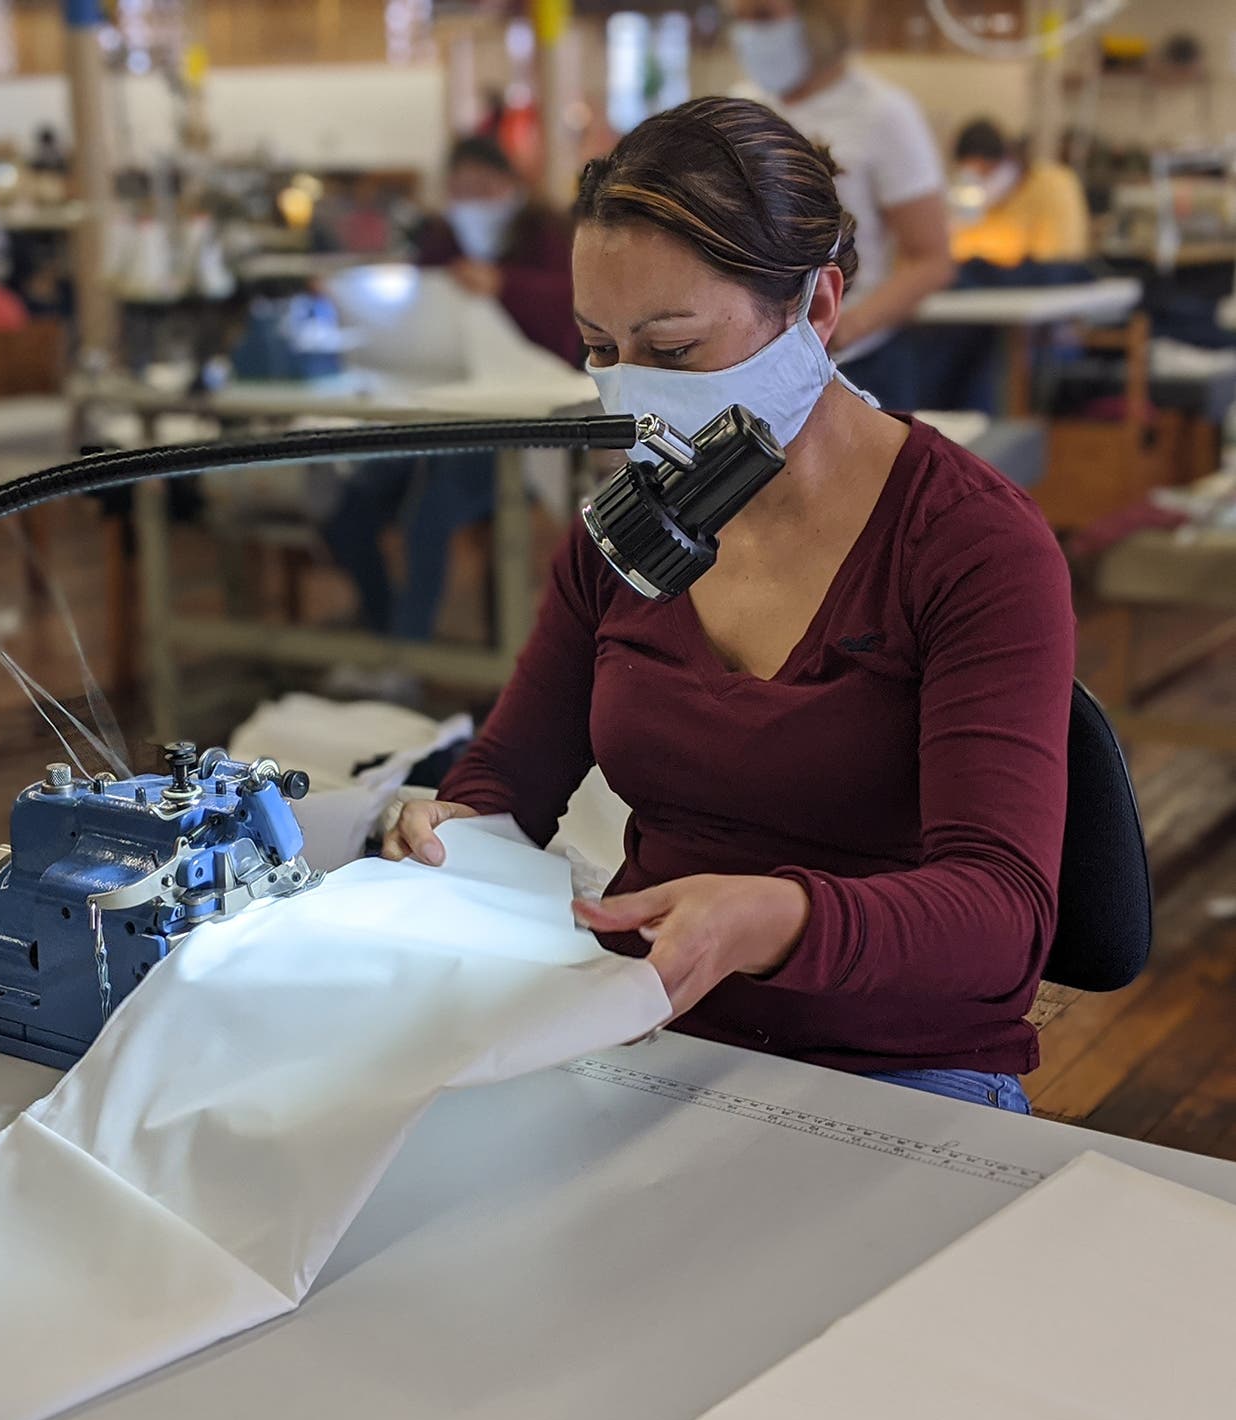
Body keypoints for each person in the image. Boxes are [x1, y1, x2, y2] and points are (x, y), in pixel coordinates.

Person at [384, 97, 1074, 1113]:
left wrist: (777, 919)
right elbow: (507, 783)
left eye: (672, 351)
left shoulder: (971, 547)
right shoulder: (626, 535)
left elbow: (1002, 913)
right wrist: (444, 826)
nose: (631, 396)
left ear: (818, 308)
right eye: (599, 349)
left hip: (898, 1073)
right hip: (646, 1035)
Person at [322, 137, 577, 643]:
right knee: (350, 508)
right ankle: (387, 630)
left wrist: (505, 285)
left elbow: (574, 317)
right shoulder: (441, 244)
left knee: (428, 516)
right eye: (461, 190)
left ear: (513, 186)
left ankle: (406, 654)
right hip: (434, 415)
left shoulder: (549, 240)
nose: (473, 202)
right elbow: (410, 316)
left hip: (516, 427)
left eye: (484, 188)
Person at [728, 0, 955, 410]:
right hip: (754, 362)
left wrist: (844, 328)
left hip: (857, 363)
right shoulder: (738, 108)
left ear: (818, 19)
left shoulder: (884, 114)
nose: (746, 34)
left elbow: (931, 259)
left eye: (762, 17)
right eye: (738, 18)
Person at [950, 118, 1091, 268]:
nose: (979, 182)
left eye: (984, 173)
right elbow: (960, 247)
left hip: (1048, 281)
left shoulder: (1053, 185)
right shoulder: (982, 202)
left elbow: (1059, 257)